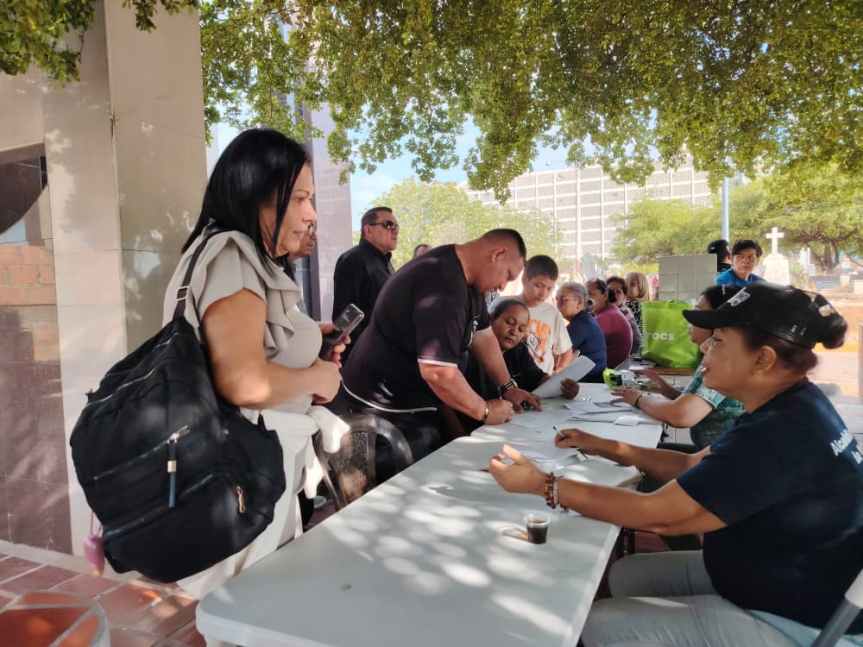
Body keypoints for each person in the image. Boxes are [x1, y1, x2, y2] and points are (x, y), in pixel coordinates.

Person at [488, 282, 863, 647]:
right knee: (627, 574)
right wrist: (601, 445)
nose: (704, 353)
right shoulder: (791, 404)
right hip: (771, 575)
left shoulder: (780, 432)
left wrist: (544, 484)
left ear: (763, 359)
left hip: (797, 618)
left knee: (601, 625)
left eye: (718, 342)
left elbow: (660, 515)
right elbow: (690, 466)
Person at [162, 129, 347, 606]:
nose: (311, 213)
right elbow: (244, 381)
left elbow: (254, 355)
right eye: (301, 197)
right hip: (245, 477)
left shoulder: (236, 257)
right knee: (253, 613)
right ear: (257, 193)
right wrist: (318, 377)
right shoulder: (233, 254)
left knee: (256, 611)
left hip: (253, 472)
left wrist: (308, 349)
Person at [341, 229, 541, 477]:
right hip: (381, 413)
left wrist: (507, 387)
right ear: (497, 254)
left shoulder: (468, 278)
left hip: (415, 404)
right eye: (507, 275)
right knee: (397, 494)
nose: (503, 285)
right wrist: (485, 410)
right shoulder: (442, 283)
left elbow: (483, 335)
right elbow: (438, 372)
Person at [611, 285, 746, 449]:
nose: (689, 322)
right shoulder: (711, 356)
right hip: (706, 453)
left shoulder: (724, 362)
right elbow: (694, 400)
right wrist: (663, 388)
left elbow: (682, 415)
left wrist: (639, 399)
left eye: (698, 314)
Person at [465, 298, 580, 404]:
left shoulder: (518, 350)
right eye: (509, 322)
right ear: (491, 319)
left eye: (521, 329)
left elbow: (537, 378)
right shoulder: (470, 355)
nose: (514, 332)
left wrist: (561, 386)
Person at [332, 206, 397, 361]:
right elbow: (344, 316)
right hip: (365, 360)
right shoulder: (353, 260)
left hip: (387, 355)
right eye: (388, 225)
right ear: (368, 230)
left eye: (396, 226)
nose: (395, 230)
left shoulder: (386, 263)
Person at [512, 255, 573, 374]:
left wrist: (557, 374)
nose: (543, 294)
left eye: (549, 288)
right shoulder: (503, 305)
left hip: (541, 383)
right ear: (524, 279)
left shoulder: (552, 313)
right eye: (538, 285)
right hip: (510, 382)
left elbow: (566, 351)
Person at [555, 282, 607, 382]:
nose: (558, 304)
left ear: (579, 303)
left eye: (564, 300)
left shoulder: (580, 325)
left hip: (589, 383)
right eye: (557, 299)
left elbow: (556, 353)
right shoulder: (584, 319)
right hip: (593, 378)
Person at [586, 278, 632, 368]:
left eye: (591, 294)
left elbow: (576, 345)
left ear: (605, 295)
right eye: (584, 295)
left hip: (603, 375)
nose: (586, 300)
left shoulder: (607, 317)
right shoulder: (611, 311)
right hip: (607, 370)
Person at [606, 276, 642, 355]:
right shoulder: (602, 310)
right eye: (610, 291)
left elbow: (636, 341)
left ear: (624, 296)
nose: (614, 295)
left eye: (618, 292)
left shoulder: (625, 313)